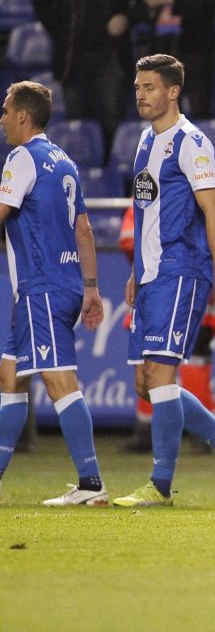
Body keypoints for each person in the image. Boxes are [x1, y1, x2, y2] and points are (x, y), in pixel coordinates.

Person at [113, 54, 215, 508]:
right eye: (138, 86)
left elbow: (213, 211)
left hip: (182, 272)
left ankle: (159, 485)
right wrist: (137, 270)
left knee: (160, 375)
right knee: (146, 384)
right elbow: (145, 212)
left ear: (173, 92)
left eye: (150, 87)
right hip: (152, 274)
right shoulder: (143, 141)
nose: (141, 94)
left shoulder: (191, 143)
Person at [0, 81, 107, 505]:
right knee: (10, 378)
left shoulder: (21, 158)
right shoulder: (63, 161)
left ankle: (92, 484)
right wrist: (92, 287)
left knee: (59, 381)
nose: (2, 117)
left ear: (23, 116)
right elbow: (83, 227)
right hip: (56, 286)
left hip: (41, 285)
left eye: (6, 110)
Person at [118, 205, 215, 454]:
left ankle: (213, 438)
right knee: (149, 374)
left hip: (187, 290)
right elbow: (128, 238)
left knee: (189, 365)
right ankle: (149, 433)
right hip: (155, 290)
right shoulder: (146, 188)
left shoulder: (192, 193)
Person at [32, 0, 145, 145]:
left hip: (112, 56)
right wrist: (62, 30)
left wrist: (127, 18)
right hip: (73, 57)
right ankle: (82, 173)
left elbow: (143, 2)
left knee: (112, 120)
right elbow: (41, 0)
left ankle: (108, 173)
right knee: (79, 124)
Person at [142, 0, 215, 119]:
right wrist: (147, 2)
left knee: (195, 113)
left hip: (192, 49)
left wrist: (173, 0)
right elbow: (141, 10)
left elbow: (205, 8)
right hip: (160, 48)